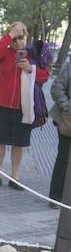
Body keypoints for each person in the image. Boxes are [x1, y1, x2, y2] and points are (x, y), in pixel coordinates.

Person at [0, 22, 49, 189]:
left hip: (23, 107)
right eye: (15, 37)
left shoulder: (32, 55)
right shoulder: (4, 52)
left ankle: (15, 177)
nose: (18, 41)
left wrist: (30, 69)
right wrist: (9, 36)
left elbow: (45, 76)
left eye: (21, 36)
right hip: (1, 104)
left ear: (26, 37)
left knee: (19, 143)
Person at [49, 58, 71, 206]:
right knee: (64, 158)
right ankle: (55, 197)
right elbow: (56, 88)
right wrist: (68, 107)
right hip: (67, 121)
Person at [29, 39, 52, 129]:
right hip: (19, 102)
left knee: (22, 140)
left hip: (32, 102)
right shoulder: (27, 54)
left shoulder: (43, 56)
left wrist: (31, 70)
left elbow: (44, 77)